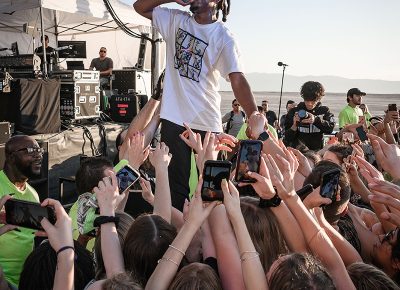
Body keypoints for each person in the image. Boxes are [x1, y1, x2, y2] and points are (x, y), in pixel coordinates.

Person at [133, 0, 258, 210]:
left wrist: (253, 113)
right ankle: (178, 237)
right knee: (174, 189)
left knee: (213, 188)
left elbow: (237, 78)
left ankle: (212, 237)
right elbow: (140, 7)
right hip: (173, 119)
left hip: (206, 120)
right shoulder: (175, 19)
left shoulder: (223, 36)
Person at [0, 135, 43, 287]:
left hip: (25, 280)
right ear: (11, 157)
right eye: (31, 150)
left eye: (39, 150)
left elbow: (31, 234)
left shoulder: (32, 194)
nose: (38, 155)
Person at [284, 81, 335, 151]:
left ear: (319, 99)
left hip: (317, 152)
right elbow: (287, 137)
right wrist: (294, 126)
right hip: (298, 152)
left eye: (313, 101)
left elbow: (330, 129)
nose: (309, 104)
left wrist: (316, 120)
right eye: (307, 100)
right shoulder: (294, 112)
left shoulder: (324, 111)